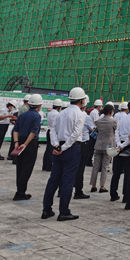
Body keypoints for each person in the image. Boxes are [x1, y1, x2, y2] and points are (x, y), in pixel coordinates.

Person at [42, 87, 87, 221]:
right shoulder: (80, 114)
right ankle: (64, 211)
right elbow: (76, 133)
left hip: (59, 146)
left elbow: (52, 130)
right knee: (68, 180)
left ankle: (46, 209)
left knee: (53, 179)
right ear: (81, 100)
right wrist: (65, 147)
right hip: (71, 148)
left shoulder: (61, 113)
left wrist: (56, 145)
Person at [12, 94, 43, 200]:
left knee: (20, 167)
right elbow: (33, 132)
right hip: (30, 143)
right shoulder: (37, 116)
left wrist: (16, 142)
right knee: (27, 168)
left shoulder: (22, 115)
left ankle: (20, 191)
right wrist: (25, 144)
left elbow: (15, 129)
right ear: (39, 105)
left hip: (20, 140)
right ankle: (20, 193)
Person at [111, 100, 130, 203]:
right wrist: (123, 145)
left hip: (120, 145)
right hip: (129, 146)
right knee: (128, 172)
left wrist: (119, 144)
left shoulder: (123, 119)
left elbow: (116, 131)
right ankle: (126, 196)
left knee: (117, 172)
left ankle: (113, 194)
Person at [90, 104, 117, 193]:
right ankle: (102, 186)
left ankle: (93, 185)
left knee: (95, 166)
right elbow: (115, 130)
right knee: (104, 167)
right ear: (110, 112)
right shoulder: (113, 121)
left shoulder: (99, 121)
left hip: (98, 145)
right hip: (108, 146)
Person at [73, 98, 95, 200]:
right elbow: (92, 129)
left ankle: (62, 190)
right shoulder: (85, 116)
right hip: (83, 143)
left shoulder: (68, 113)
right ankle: (78, 191)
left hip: (72, 143)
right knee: (80, 169)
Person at [42, 99, 62, 171]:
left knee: (48, 149)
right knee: (51, 150)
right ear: (59, 107)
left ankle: (45, 165)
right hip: (53, 132)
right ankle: (49, 166)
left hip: (49, 130)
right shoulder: (57, 114)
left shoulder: (50, 113)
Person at [87, 99, 102, 166]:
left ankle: (88, 160)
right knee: (92, 148)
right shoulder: (95, 113)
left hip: (92, 131)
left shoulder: (93, 112)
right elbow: (96, 122)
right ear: (98, 106)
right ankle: (89, 161)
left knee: (91, 147)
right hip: (93, 132)